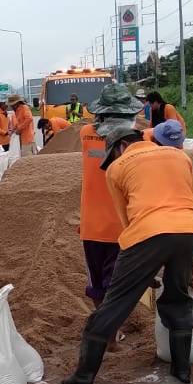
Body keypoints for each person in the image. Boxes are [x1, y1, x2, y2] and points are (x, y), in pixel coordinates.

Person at [62, 111, 193, 384]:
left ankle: (83, 377)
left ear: (121, 146)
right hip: (190, 231)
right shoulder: (179, 157)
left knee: (115, 303)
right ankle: (182, 372)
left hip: (147, 233)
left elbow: (126, 222)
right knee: (178, 300)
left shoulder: (117, 167)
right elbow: (190, 200)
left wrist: (138, 269)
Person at [78, 88, 143, 309]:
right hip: (122, 226)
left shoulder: (85, 133)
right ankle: (111, 325)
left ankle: (103, 321)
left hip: (91, 226)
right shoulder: (138, 140)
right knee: (116, 285)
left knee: (96, 285)